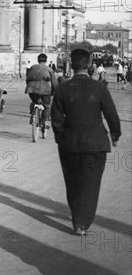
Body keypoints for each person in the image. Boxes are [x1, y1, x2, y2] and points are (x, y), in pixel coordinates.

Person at [51, 49, 121, 236]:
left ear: (71, 65)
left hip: (70, 145)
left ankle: (77, 219)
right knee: (90, 183)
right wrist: (115, 134)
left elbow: (56, 119)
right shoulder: (99, 88)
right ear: (90, 65)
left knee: (72, 182)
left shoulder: (62, 88)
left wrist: (61, 139)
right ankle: (82, 223)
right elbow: (111, 114)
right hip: (95, 144)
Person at [25, 53, 58, 131]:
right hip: (45, 89)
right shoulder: (49, 69)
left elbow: (27, 79)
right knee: (47, 106)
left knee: (34, 101)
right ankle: (46, 122)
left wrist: (28, 87)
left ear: (38, 60)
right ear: (46, 61)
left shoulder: (32, 67)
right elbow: (54, 83)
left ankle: (32, 114)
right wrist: (54, 91)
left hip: (31, 88)